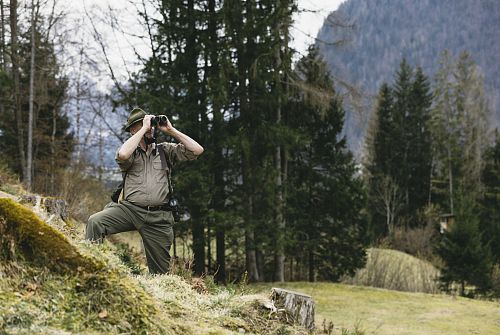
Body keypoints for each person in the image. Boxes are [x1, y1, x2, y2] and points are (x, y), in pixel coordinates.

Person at [85, 107, 204, 274]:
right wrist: (142, 129)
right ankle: (91, 270)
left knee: (160, 275)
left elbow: (197, 150)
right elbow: (122, 155)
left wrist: (171, 130)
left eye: (149, 124)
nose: (149, 128)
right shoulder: (131, 152)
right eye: (140, 125)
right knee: (95, 222)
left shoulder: (165, 150)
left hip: (158, 217)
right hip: (130, 210)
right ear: (133, 130)